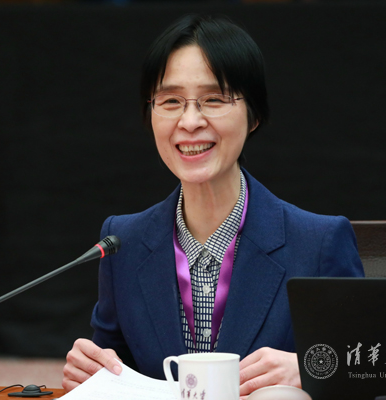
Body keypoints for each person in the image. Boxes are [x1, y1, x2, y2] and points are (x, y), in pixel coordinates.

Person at [62, 14, 364, 397]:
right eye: (171, 101)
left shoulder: (319, 242)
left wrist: (313, 368)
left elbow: (378, 367)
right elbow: (116, 370)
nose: (190, 121)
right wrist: (92, 371)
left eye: (214, 99)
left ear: (254, 114)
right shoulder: (123, 241)